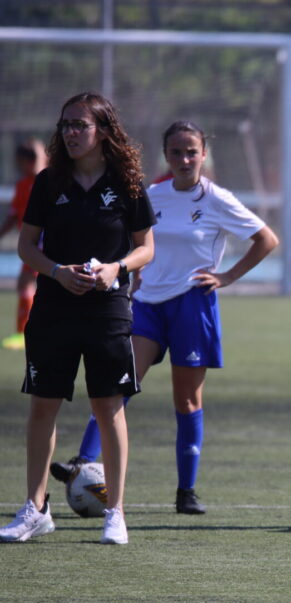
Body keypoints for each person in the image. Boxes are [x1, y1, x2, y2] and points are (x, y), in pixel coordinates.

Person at [50, 120, 280, 515]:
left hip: (192, 303)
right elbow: (136, 243)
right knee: (118, 384)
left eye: (192, 152)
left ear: (204, 154)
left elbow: (266, 240)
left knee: (186, 400)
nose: (184, 159)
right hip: (147, 304)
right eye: (176, 152)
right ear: (165, 156)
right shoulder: (150, 194)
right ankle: (82, 463)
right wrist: (133, 276)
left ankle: (186, 491)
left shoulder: (217, 199)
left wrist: (226, 277)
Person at [0, 92, 155, 545]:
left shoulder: (127, 183)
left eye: (79, 125)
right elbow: (26, 246)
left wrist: (116, 268)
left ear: (102, 131)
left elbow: (146, 248)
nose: (70, 132)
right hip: (53, 307)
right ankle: (35, 509)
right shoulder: (49, 182)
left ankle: (115, 512)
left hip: (108, 309)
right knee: (42, 404)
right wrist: (56, 272)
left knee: (108, 406)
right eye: (65, 125)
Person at [1, 139, 47, 350]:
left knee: (26, 283)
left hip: (41, 244)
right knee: (28, 284)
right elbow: (13, 216)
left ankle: (24, 332)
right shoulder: (23, 185)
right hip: (31, 244)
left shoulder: (47, 181)